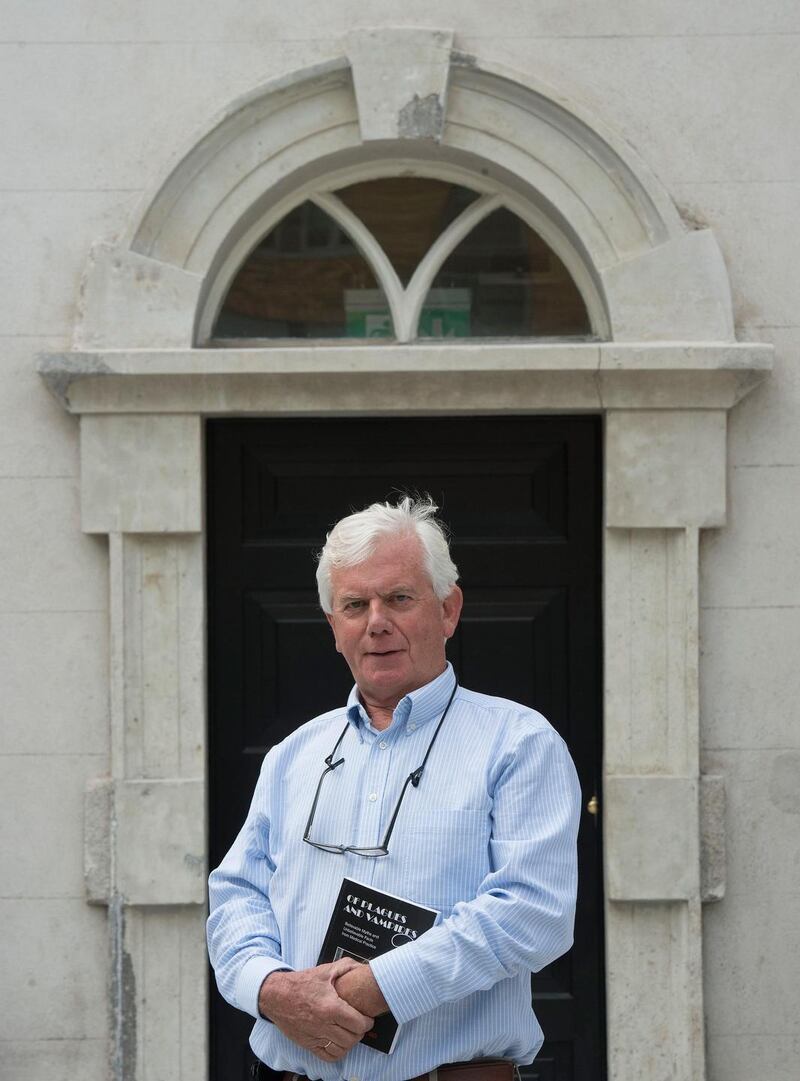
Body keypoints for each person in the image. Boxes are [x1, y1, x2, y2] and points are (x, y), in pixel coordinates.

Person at [207, 496, 581, 1081]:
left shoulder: (518, 744)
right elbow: (236, 895)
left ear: (448, 610)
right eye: (354, 605)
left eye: (399, 598)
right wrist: (271, 988)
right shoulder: (293, 756)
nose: (376, 621)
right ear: (335, 628)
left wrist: (376, 986)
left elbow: (533, 914)